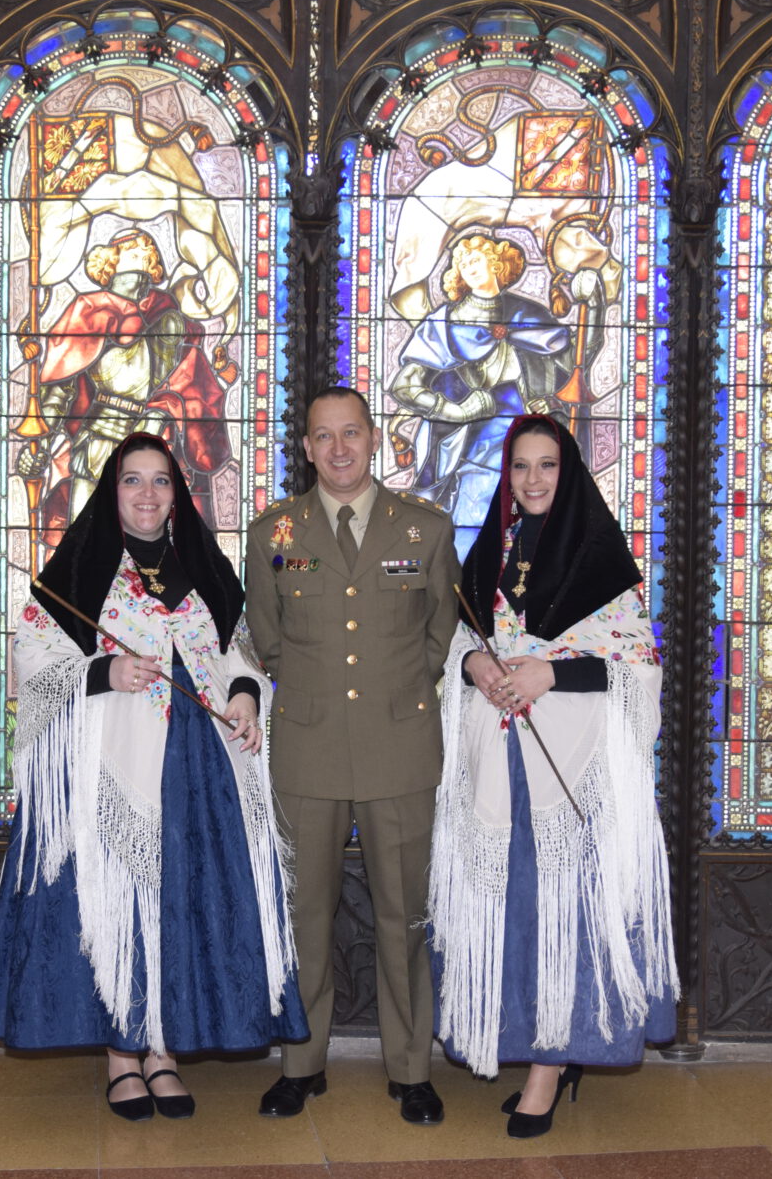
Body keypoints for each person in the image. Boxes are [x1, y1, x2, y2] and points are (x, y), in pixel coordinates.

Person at [0, 432, 307, 1121]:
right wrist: (103, 671)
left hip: (199, 770)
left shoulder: (205, 570)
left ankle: (164, 1052)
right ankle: (122, 1059)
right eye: (134, 480)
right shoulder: (76, 572)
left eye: (161, 481)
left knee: (179, 905)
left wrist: (245, 692)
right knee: (119, 903)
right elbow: (31, 664)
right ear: (113, 489)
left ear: (177, 495)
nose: (149, 494)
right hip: (111, 769)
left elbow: (237, 651)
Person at [429, 414, 677, 1138]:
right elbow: (463, 642)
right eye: (520, 468)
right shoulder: (486, 557)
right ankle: (527, 1044)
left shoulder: (601, 561)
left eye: (547, 466)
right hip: (497, 761)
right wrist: (476, 664)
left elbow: (636, 671)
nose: (533, 480)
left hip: (574, 767)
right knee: (513, 912)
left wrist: (550, 672)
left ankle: (550, 1063)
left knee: (563, 913)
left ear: (568, 475)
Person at [244, 386, 460, 1125]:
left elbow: (439, 636)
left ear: (375, 440)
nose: (338, 449)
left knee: (406, 916)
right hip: (307, 746)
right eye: (322, 437)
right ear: (305, 448)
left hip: (400, 744)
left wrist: (395, 689)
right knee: (307, 911)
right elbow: (269, 640)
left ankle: (410, 1068)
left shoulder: (424, 530)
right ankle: (302, 1064)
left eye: (351, 434)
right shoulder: (272, 531)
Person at [18, 229, 233, 541]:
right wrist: (38, 445)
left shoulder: (169, 320)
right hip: (99, 443)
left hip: (156, 452)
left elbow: (187, 384)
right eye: (132, 251)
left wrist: (157, 420)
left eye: (147, 253)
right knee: (86, 547)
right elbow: (60, 388)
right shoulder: (88, 310)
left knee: (157, 557)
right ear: (109, 261)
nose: (143, 256)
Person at [388, 234, 573, 533]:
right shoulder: (443, 321)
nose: (468, 267)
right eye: (461, 263)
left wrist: (597, 304)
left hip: (521, 433)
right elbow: (404, 386)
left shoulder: (529, 317)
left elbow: (572, 367)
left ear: (497, 263)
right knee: (469, 514)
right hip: (458, 435)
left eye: (476, 259)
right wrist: (458, 412)